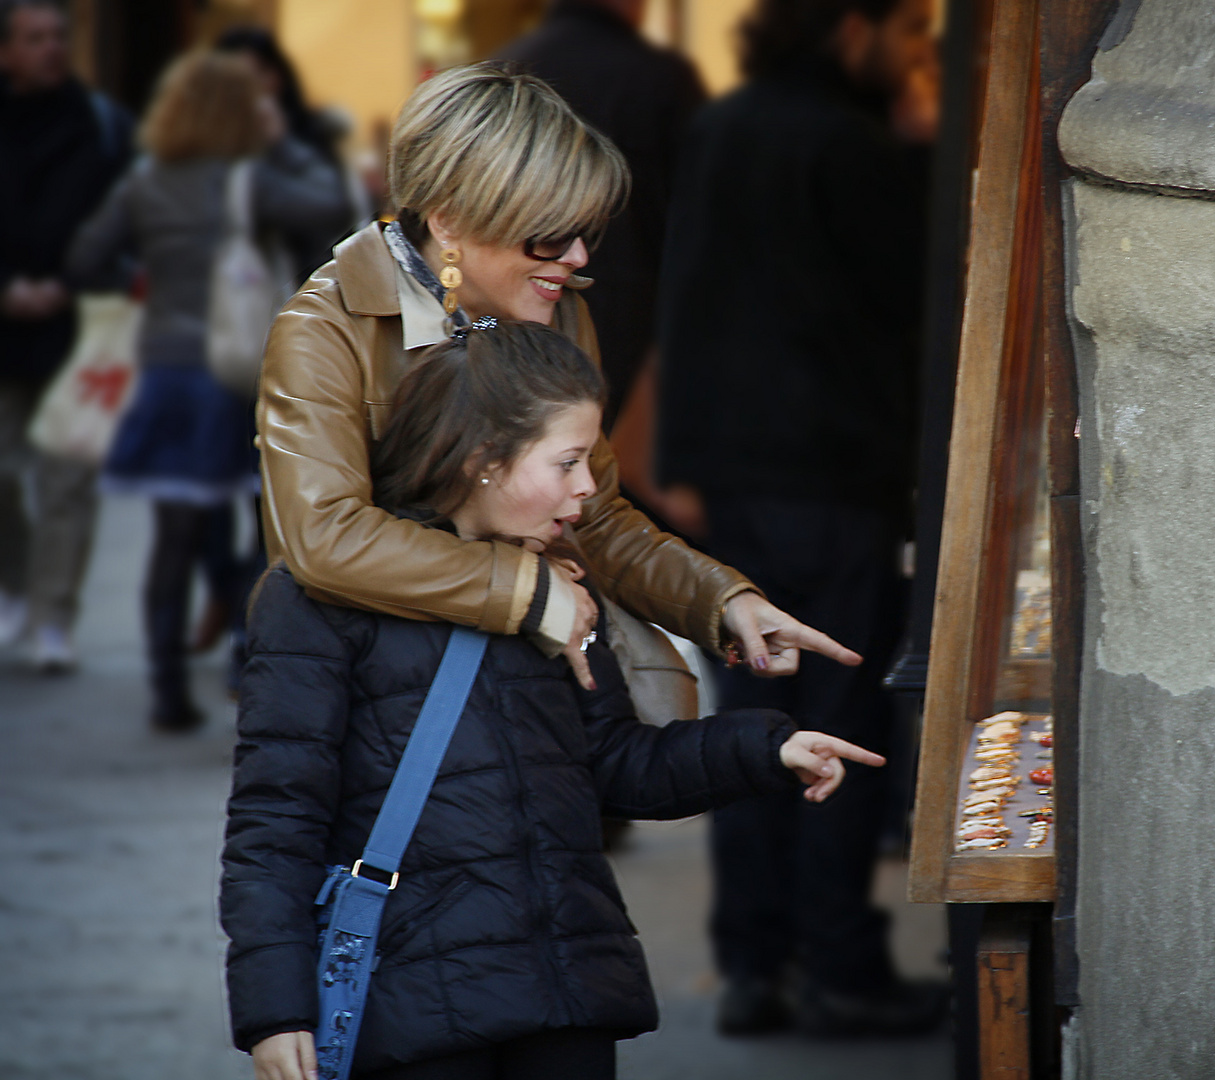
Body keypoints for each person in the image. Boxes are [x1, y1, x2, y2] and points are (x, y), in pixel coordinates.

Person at [220, 319, 887, 1080]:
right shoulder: (316, 604)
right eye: (568, 462)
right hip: (410, 1011)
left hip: (563, 994)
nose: (588, 490)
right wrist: (276, 1010)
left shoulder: (561, 586)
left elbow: (612, 764)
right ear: (482, 461)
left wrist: (767, 749)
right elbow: (275, 822)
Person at [257, 63, 858, 723]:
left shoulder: (560, 309)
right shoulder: (326, 328)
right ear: (451, 220)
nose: (576, 257)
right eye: (547, 234)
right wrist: (528, 588)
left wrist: (721, 602)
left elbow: (592, 512)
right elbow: (322, 540)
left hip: (534, 693)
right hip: (377, 702)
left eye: (585, 232)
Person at [656, 0, 939, 1035]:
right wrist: (919, 156)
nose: (916, 56)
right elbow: (911, 293)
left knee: (753, 711)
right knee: (839, 722)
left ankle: (752, 962)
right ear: (849, 27)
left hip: (738, 477)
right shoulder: (853, 143)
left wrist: (680, 461)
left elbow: (686, 293)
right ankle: (838, 964)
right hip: (833, 476)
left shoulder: (728, 126)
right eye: (906, 31)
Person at [67, 51, 350, 731]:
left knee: (173, 538)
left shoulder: (143, 181)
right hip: (242, 372)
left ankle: (167, 688)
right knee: (266, 530)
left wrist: (144, 280)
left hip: (167, 373)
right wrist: (283, 141)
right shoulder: (249, 182)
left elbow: (85, 260)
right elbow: (335, 206)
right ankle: (246, 660)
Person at [496, 0, 705, 433]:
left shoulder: (502, 69)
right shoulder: (659, 79)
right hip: (636, 326)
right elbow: (701, 226)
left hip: (509, 321)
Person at [0, 0, 132, 671]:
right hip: (4, 327)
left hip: (81, 329)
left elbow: (128, 226)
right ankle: (17, 585)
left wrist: (70, 282)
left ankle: (54, 616)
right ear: (7, 52)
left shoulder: (103, 127)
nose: (51, 48)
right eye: (35, 38)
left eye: (58, 36)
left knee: (67, 482)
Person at [215, 25, 363, 279]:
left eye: (255, 75)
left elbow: (335, 207)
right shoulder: (209, 148)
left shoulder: (312, 133)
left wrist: (280, 144)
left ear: (276, 77)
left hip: (305, 289)